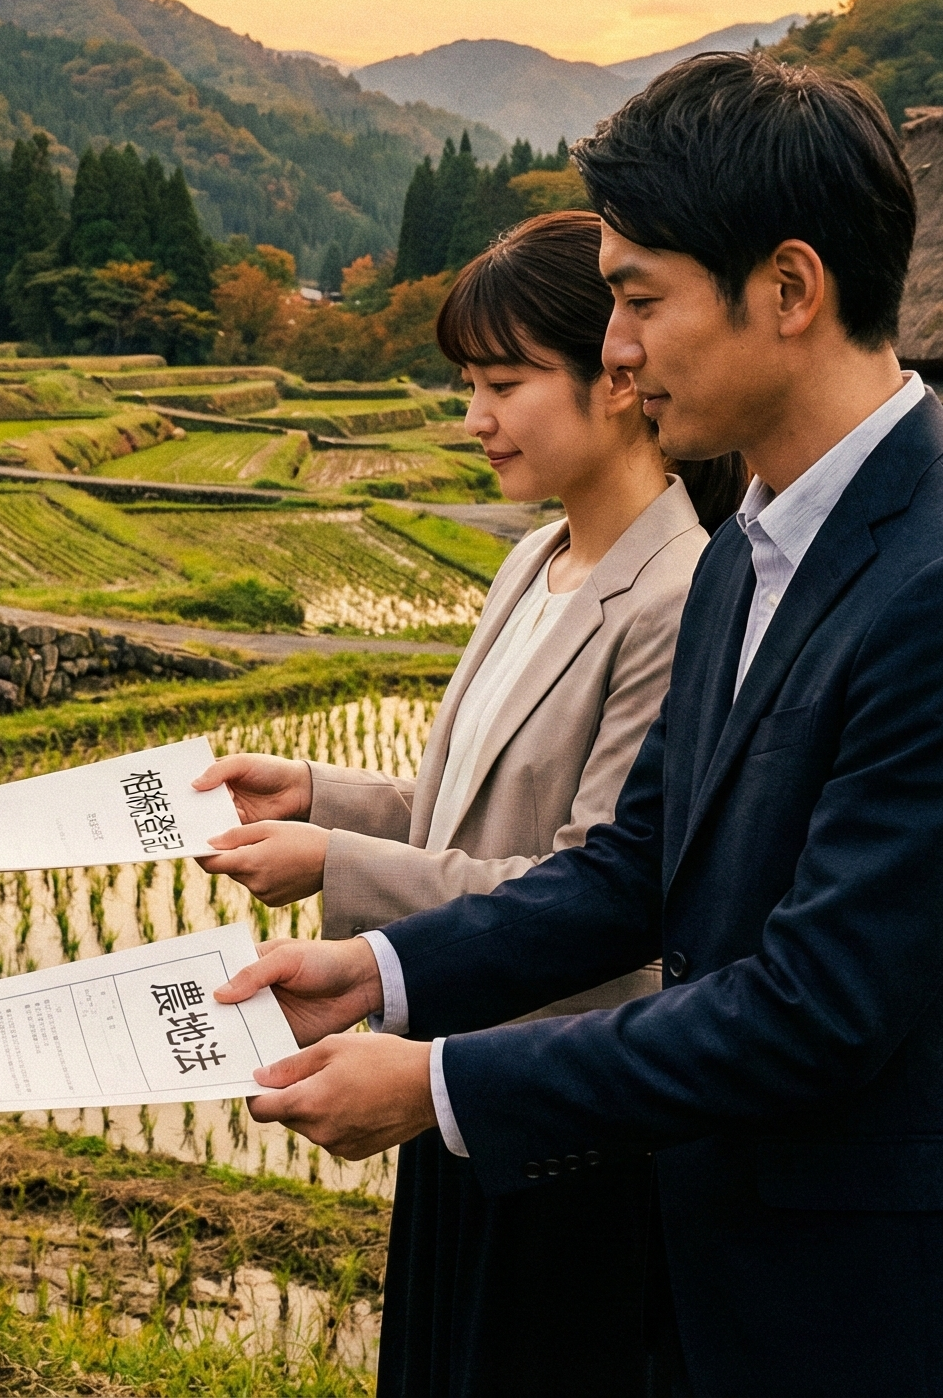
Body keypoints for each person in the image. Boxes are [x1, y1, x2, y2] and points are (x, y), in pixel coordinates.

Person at [218, 52, 943, 1398]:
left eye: (640, 299)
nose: (617, 348)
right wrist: (380, 972)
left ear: (789, 290)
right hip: (711, 1277)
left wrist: (442, 1082)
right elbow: (636, 866)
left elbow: (815, 1008)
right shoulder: (748, 549)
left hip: (885, 1316)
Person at [195, 210, 726, 1397]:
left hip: (558, 1109)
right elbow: (470, 803)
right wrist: (318, 795)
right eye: (467, 385)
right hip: (444, 1065)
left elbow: (594, 884)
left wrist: (331, 860)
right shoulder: (536, 560)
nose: (474, 417)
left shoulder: (678, 595)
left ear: (619, 378)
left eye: (504, 382)